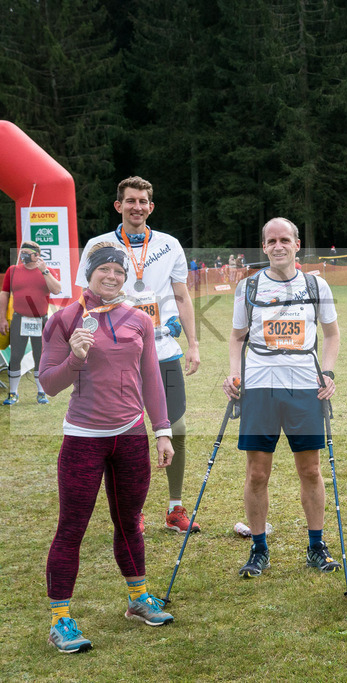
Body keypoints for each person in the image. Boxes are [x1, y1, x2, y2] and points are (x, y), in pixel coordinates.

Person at [40, 242, 175, 653]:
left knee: (130, 520)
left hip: (131, 436)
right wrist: (76, 357)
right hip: (83, 438)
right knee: (72, 528)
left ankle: (138, 599)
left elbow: (151, 376)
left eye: (118, 271)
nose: (112, 277)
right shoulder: (64, 319)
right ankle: (60, 619)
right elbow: (48, 382)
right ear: (89, 273)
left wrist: (163, 430)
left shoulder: (138, 318)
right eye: (104, 270)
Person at [76, 177, 201, 535]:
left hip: (163, 350)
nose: (137, 206)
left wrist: (192, 343)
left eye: (143, 201)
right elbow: (87, 297)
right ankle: (133, 511)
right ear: (119, 206)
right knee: (127, 434)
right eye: (130, 200)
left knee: (175, 427)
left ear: (151, 206)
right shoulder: (98, 245)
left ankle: (175, 507)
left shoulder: (168, 245)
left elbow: (181, 295)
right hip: (117, 355)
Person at [223, 217, 342, 578]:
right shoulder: (248, 287)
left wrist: (329, 372)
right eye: (271, 240)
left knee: (310, 469)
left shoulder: (315, 285)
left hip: (304, 386)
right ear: (264, 246)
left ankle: (316, 546)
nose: (278, 246)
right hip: (260, 387)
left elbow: (332, 334)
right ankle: (259, 549)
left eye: (284, 240)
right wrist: (234, 373)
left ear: (296, 244)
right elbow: (236, 337)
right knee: (258, 473)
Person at [1, 240, 62, 405]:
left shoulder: (48, 271)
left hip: (40, 320)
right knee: (15, 357)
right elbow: (4, 294)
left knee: (40, 357)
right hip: (19, 319)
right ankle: (13, 394)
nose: (23, 256)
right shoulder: (12, 270)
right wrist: (1, 318)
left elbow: (57, 289)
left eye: (28, 253)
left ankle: (41, 393)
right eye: (22, 252)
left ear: (37, 255)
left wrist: (45, 271)